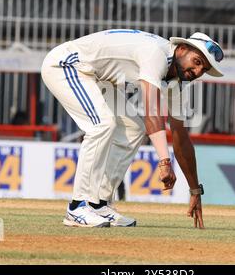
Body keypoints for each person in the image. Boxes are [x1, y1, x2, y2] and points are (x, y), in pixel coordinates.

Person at [41, 29, 224, 229]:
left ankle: (97, 203)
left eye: (203, 70)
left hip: (95, 77)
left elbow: (180, 135)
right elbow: (151, 109)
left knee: (133, 128)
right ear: (181, 49)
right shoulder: (157, 54)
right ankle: (78, 207)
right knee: (103, 124)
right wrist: (164, 161)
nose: (197, 72)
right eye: (197, 62)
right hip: (66, 65)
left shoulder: (178, 82)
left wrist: (194, 190)